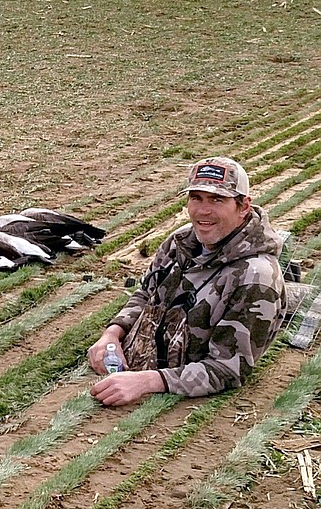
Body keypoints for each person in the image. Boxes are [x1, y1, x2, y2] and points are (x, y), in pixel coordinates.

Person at [88, 156, 286, 407]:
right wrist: (112, 334)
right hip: (140, 365)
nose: (203, 210)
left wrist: (147, 382)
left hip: (180, 396)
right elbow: (146, 294)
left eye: (217, 200)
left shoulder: (256, 277)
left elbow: (228, 369)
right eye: (196, 198)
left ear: (243, 206)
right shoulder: (180, 242)